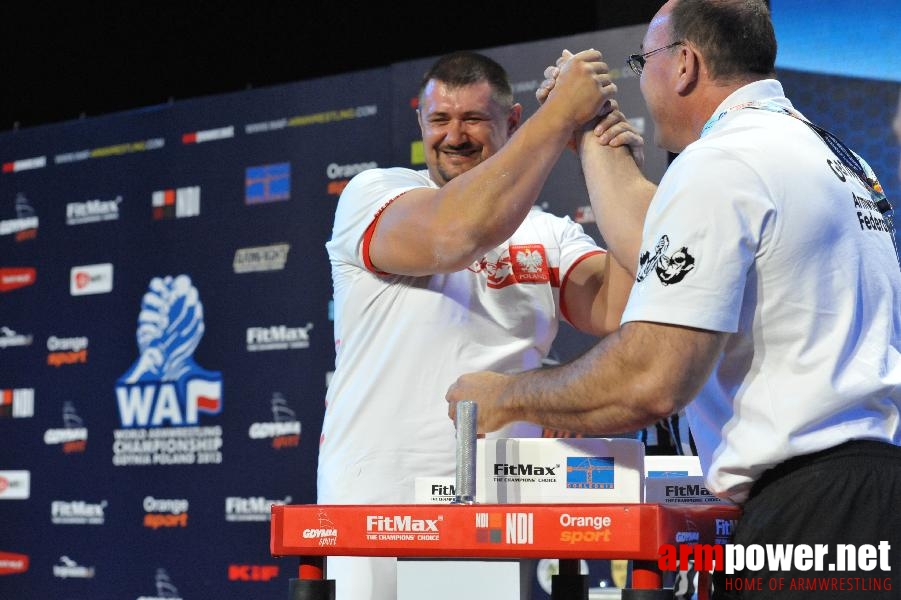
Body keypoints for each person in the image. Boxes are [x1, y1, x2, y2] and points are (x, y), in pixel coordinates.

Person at [447, 1, 901, 597]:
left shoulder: (721, 162)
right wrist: (590, 131)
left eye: (645, 60)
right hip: (875, 502)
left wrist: (505, 398)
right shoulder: (833, 157)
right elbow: (660, 250)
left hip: (811, 517)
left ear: (684, 65)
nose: (642, 75)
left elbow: (650, 379)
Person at [318, 50, 645, 600]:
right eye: (440, 120)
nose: (455, 136)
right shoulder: (373, 195)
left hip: (497, 500)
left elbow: (624, 304)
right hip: (374, 496)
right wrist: (559, 114)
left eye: (474, 119)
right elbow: (455, 235)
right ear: (421, 123)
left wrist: (609, 165)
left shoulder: (551, 233)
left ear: (511, 122)